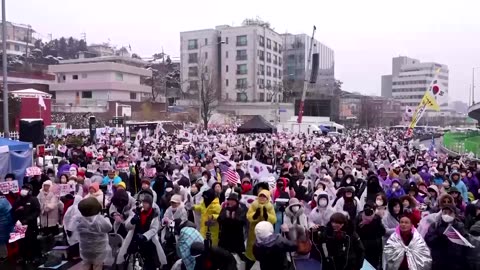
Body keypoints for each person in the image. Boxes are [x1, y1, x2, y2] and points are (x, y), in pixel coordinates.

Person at [117, 193, 167, 269]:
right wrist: (132, 221)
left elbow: (154, 229)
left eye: (146, 203)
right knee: (131, 260)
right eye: (143, 202)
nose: (144, 204)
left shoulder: (154, 214)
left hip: (149, 242)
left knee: (150, 262)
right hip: (135, 240)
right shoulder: (136, 211)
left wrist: (144, 236)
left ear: (150, 204)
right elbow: (127, 226)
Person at [425, 204, 468, 270]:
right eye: (445, 212)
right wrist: (439, 236)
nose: (447, 215)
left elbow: (465, 244)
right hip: (438, 262)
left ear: (455, 214)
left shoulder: (460, 226)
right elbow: (428, 240)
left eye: (450, 213)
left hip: (455, 263)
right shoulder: (435, 225)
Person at [75, 197, 113, 270]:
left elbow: (75, 228)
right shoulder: (99, 219)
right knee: (97, 265)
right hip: (98, 249)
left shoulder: (79, 219)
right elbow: (109, 228)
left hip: (85, 248)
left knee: (85, 264)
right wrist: (106, 218)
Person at [245, 189, 277, 264]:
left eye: (264, 196)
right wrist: (255, 215)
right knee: (252, 247)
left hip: (266, 233)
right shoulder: (254, 205)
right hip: (253, 231)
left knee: (264, 249)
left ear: (267, 197)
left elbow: (274, 219)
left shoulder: (270, 206)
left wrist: (266, 216)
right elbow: (248, 216)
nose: (262, 197)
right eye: (261, 196)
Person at [13, 184, 41, 264]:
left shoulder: (33, 199)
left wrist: (27, 220)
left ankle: (34, 257)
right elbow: (14, 210)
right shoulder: (18, 200)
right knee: (21, 242)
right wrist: (16, 220)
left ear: (30, 191)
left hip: (31, 225)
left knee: (32, 241)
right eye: (24, 188)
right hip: (20, 225)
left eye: (26, 189)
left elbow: (36, 212)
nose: (24, 190)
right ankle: (23, 257)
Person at [355, 202, 385, 269]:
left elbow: (382, 231)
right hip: (362, 243)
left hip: (374, 245)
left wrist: (375, 222)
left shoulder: (377, 218)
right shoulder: (359, 217)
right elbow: (355, 230)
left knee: (373, 263)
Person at [0, 193, 13, 261]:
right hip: (6, 222)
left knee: (2, 240)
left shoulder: (2, 202)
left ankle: (4, 255)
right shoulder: (5, 200)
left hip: (3, 223)